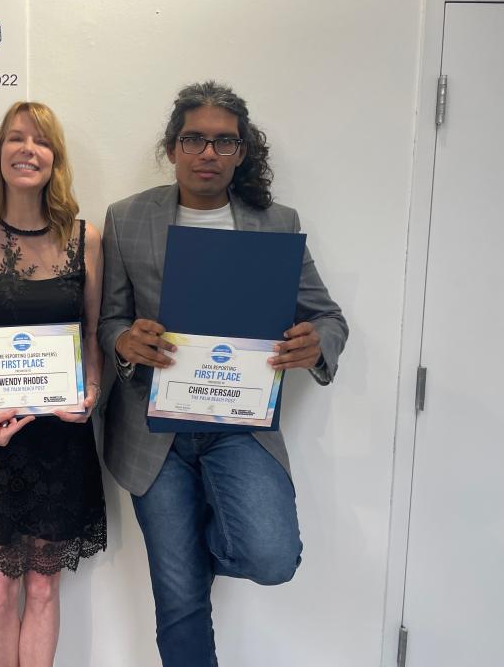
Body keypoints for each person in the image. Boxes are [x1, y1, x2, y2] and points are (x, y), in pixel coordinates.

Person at [98, 81, 348, 666]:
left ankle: (196, 539)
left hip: (241, 425)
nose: (208, 153)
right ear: (173, 147)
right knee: (180, 599)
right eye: (194, 140)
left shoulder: (276, 222)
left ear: (241, 153)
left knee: (271, 556)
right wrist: (125, 341)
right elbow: (109, 319)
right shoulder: (127, 218)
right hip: (152, 433)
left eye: (223, 142)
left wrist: (317, 344)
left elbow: (327, 317)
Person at [0, 102, 106, 667]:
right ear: (0, 154)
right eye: (15, 138)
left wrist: (91, 394)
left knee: (41, 586)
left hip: (59, 440)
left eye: (40, 140)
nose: (27, 149)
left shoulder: (88, 239)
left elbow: (92, 343)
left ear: (55, 158)